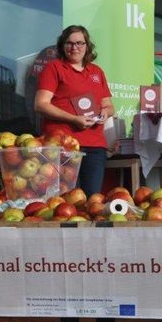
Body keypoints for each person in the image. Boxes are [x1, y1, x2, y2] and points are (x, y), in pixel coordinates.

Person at [34, 25, 114, 197]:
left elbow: (108, 105)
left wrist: (105, 113)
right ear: (63, 46)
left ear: (87, 46)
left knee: (92, 200)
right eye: (69, 43)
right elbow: (40, 104)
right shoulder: (54, 68)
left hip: (95, 146)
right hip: (63, 146)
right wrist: (73, 119)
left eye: (79, 43)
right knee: (65, 201)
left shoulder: (97, 72)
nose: (74, 48)